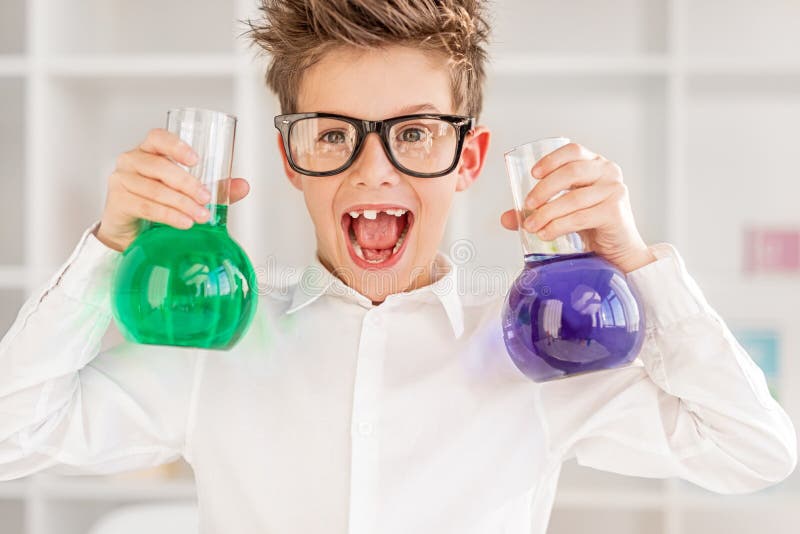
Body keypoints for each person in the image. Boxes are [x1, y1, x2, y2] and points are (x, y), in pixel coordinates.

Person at [0, 1, 796, 533]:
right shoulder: (222, 348)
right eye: (332, 132)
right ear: (290, 156)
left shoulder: (532, 355)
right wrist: (108, 249)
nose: (374, 170)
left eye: (415, 133)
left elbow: (754, 453)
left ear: (468, 160)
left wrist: (637, 264)